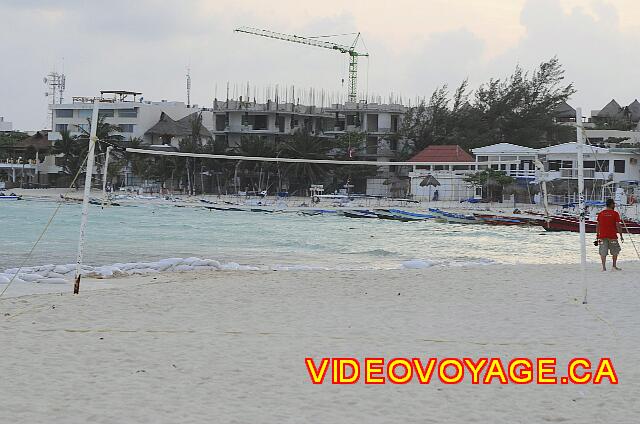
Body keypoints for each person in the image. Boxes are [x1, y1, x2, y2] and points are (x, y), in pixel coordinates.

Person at [595, 198, 624, 271]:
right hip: (612, 236)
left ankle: (604, 268)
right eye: (613, 204)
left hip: (602, 236)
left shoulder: (601, 213)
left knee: (602, 252)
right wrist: (621, 235)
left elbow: (598, 225)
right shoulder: (615, 213)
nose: (614, 205)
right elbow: (618, 225)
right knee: (615, 251)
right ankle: (614, 266)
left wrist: (597, 235)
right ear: (611, 204)